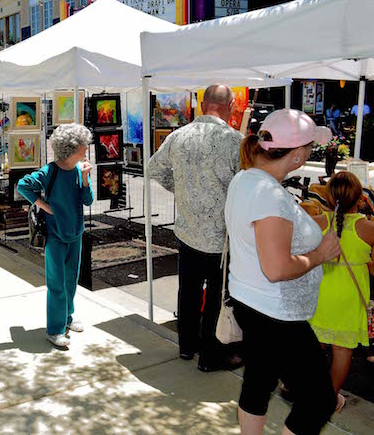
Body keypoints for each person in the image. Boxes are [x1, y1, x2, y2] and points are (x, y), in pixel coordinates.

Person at [225, 109, 341, 435]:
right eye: (309, 148)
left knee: (258, 383)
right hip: (277, 314)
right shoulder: (270, 195)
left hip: (253, 304)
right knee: (320, 400)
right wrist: (320, 254)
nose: (310, 154)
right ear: (297, 155)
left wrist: (314, 227)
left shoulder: (247, 179)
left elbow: (272, 233)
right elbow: (276, 269)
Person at [147, 84, 243, 372]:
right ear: (229, 106)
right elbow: (245, 184)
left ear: (202, 105)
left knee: (187, 292)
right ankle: (211, 356)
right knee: (217, 296)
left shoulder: (179, 136)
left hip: (188, 231)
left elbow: (153, 169)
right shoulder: (235, 140)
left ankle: (187, 348)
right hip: (220, 238)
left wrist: (181, 189)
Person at [18, 124, 93, 348]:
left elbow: (88, 200)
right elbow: (23, 185)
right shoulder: (49, 172)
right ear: (73, 147)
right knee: (57, 284)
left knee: (70, 281)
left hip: (75, 233)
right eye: (84, 144)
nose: (87, 147)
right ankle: (55, 329)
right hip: (55, 235)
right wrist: (43, 205)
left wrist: (87, 179)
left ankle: (68, 318)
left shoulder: (80, 170)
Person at [308, 172, 374, 411]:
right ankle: (329, 397)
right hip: (349, 297)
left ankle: (302, 387)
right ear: (360, 197)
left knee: (315, 345)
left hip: (319, 292)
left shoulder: (317, 223)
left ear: (327, 196)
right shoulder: (368, 228)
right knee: (342, 349)